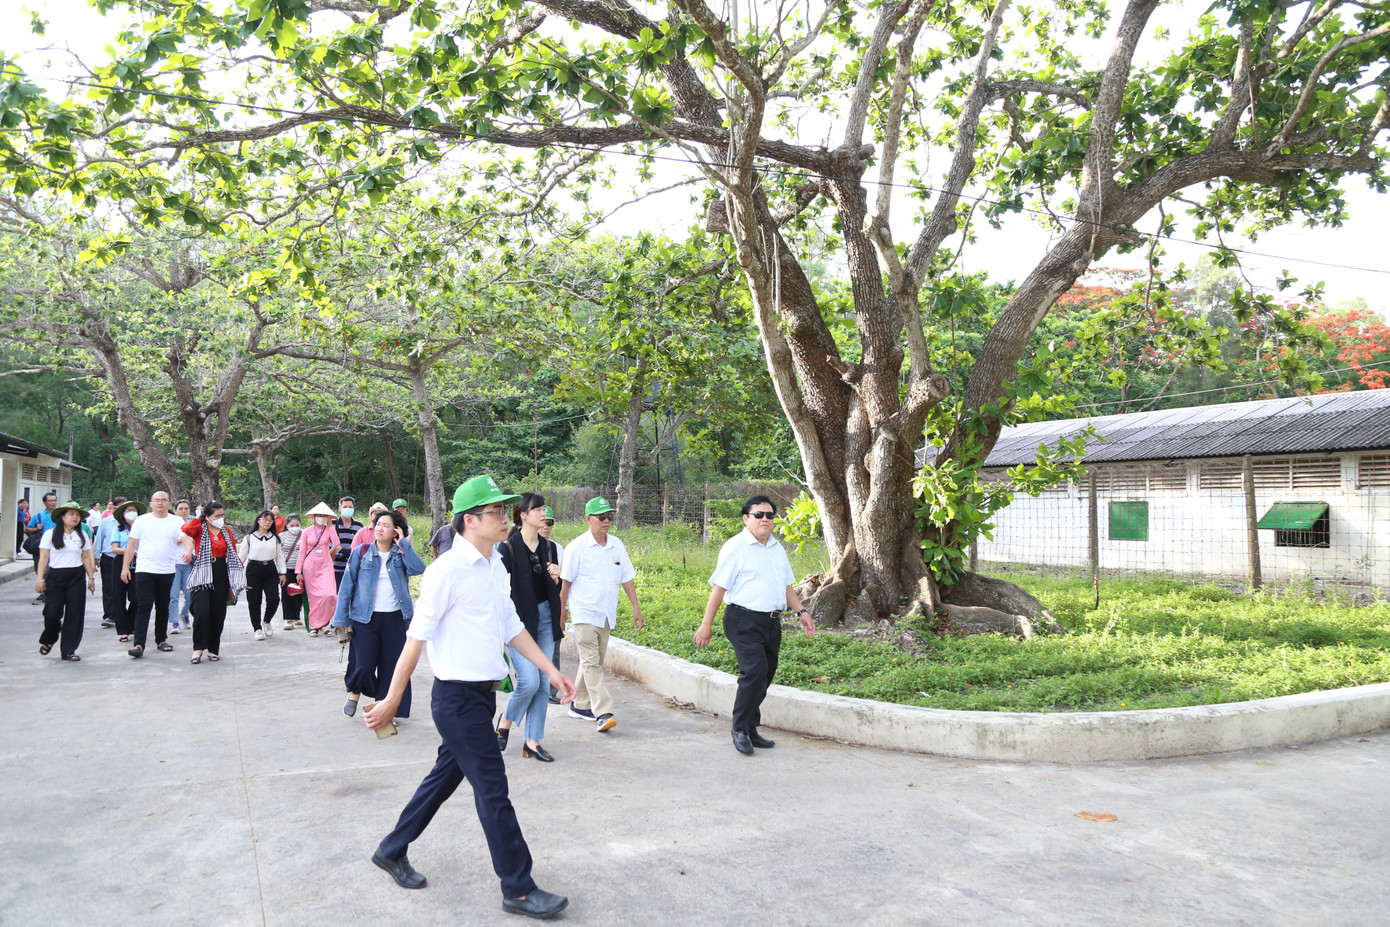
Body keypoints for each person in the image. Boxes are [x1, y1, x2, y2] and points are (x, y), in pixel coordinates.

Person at [363, 475, 575, 920]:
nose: (505, 518)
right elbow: (415, 640)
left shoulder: (495, 562)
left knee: (444, 777)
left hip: (481, 698)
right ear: (470, 520)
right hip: (455, 700)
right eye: (497, 512)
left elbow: (512, 627)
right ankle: (518, 888)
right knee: (493, 791)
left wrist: (552, 671)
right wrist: (389, 700)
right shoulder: (445, 571)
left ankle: (391, 849)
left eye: (505, 511)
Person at [695, 495, 817, 755]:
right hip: (742, 619)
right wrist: (706, 625)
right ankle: (739, 729)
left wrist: (801, 611)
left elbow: (786, 586)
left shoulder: (776, 548)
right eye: (759, 514)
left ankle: (751, 728)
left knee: (766, 676)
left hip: (771, 622)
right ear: (746, 518)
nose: (765, 519)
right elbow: (719, 589)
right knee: (754, 673)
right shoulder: (735, 547)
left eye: (770, 515)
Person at [559, 496, 643, 733]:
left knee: (593, 662)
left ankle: (579, 704)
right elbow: (565, 584)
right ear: (588, 519)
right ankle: (603, 711)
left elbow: (626, 577)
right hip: (584, 612)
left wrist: (636, 608)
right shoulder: (577, 547)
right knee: (591, 663)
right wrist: (562, 613)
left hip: (606, 613)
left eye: (609, 517)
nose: (607, 521)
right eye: (602, 517)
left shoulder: (616, 545)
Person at [333, 509, 425, 719]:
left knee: (393, 666)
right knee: (364, 664)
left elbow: (419, 568)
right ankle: (356, 692)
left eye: (386, 525)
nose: (379, 528)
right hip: (364, 618)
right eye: (378, 524)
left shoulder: (400, 554)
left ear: (396, 531)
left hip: (395, 618)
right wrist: (341, 619)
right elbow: (347, 586)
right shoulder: (361, 552)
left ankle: (388, 708)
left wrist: (404, 545)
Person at [496, 493, 563, 762]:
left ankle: (533, 741)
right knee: (529, 681)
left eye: (543, 508)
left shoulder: (549, 547)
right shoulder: (508, 548)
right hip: (519, 622)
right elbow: (500, 592)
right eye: (537, 509)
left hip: (546, 618)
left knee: (544, 681)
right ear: (523, 515)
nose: (542, 512)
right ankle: (506, 721)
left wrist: (557, 579)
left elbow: (552, 589)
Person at [121, 491, 186, 658]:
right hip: (145, 570)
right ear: (150, 503)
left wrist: (189, 550)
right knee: (144, 606)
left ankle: (161, 640)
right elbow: (131, 545)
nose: (160, 503)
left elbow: (186, 538)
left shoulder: (177, 521)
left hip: (167, 570)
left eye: (164, 500)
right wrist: (125, 568)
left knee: (162, 606)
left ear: (170, 504)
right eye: (157, 500)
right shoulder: (142, 521)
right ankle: (139, 644)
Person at [34, 500, 96, 661]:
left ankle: (69, 649)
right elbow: (44, 558)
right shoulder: (50, 534)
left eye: (77, 515)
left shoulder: (81, 534)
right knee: (51, 614)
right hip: (55, 577)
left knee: (74, 614)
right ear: (62, 517)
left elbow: (85, 557)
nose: (75, 518)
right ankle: (49, 637)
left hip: (76, 576)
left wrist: (91, 577)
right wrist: (40, 579)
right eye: (71, 514)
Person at [185, 501, 245, 663]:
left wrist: (237, 578)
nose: (220, 518)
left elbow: (233, 552)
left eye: (222, 515)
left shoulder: (226, 531)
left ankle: (213, 649)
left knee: (218, 613)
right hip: (203, 572)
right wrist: (198, 517)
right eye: (217, 516)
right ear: (207, 517)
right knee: (201, 611)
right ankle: (198, 648)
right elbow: (186, 530)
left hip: (221, 571)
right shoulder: (199, 528)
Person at [238, 509, 285, 641]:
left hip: (270, 569)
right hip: (253, 570)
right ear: (258, 520)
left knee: (274, 598)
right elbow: (241, 557)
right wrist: (233, 572)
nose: (267, 522)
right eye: (265, 519)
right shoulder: (249, 538)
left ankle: (267, 621)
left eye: (270, 520)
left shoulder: (274, 538)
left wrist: (283, 572)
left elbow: (280, 557)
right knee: (254, 601)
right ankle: (257, 628)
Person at [298, 502, 341, 637]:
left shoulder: (329, 530)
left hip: (325, 564)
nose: (321, 518)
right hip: (310, 566)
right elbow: (302, 551)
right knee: (313, 597)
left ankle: (324, 623)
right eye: (319, 515)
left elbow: (337, 545)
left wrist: (330, 526)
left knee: (329, 595)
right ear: (314, 516)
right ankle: (315, 626)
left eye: (324, 516)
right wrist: (298, 571)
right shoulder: (306, 532)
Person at [107, 499, 144, 642]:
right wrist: (130, 551)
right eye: (128, 510)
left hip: (139, 565)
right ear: (122, 514)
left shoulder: (142, 528)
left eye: (134, 510)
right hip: (120, 563)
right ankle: (123, 630)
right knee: (118, 596)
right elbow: (114, 548)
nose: (132, 513)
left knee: (136, 598)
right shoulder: (118, 529)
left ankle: (132, 623)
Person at [540, 506, 564, 705]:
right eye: (543, 522)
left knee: (554, 647)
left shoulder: (555, 548)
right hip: (530, 608)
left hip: (551, 604)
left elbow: (563, 582)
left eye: (550, 523)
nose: (546, 527)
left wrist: (562, 609)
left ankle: (551, 691)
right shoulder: (515, 546)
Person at [94, 495, 129, 629]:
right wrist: (96, 557)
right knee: (108, 587)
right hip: (109, 557)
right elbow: (99, 539)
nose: (118, 511)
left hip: (129, 558)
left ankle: (124, 614)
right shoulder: (106, 522)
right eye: (115, 508)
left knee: (127, 588)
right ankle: (109, 615)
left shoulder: (133, 522)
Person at [25, 492, 59, 602]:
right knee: (41, 569)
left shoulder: (60, 516)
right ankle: (44, 591)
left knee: (53, 569)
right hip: (41, 547)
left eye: (54, 500)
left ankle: (51, 591)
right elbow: (27, 529)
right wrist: (36, 528)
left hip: (57, 547)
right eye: (50, 500)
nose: (53, 503)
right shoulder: (38, 516)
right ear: (45, 503)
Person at [166, 500, 195, 634]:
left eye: (186, 508)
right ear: (175, 510)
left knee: (190, 594)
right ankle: (175, 622)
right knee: (174, 595)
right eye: (181, 508)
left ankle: (184, 614)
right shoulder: (170, 524)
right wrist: (183, 538)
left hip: (188, 563)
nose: (184, 510)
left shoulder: (192, 524)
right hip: (174, 563)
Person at [279, 514, 305, 630]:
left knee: (299, 593)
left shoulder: (304, 534)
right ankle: (289, 619)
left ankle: (297, 616)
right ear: (287, 525)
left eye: (297, 525)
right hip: (286, 569)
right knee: (287, 593)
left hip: (302, 569)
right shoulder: (281, 536)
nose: (295, 527)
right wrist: (280, 570)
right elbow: (278, 553)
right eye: (292, 525)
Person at [332, 496, 362, 588]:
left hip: (351, 568)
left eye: (350, 507)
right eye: (345, 507)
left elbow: (361, 546)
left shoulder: (359, 526)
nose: (347, 509)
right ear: (339, 509)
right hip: (334, 569)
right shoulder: (332, 524)